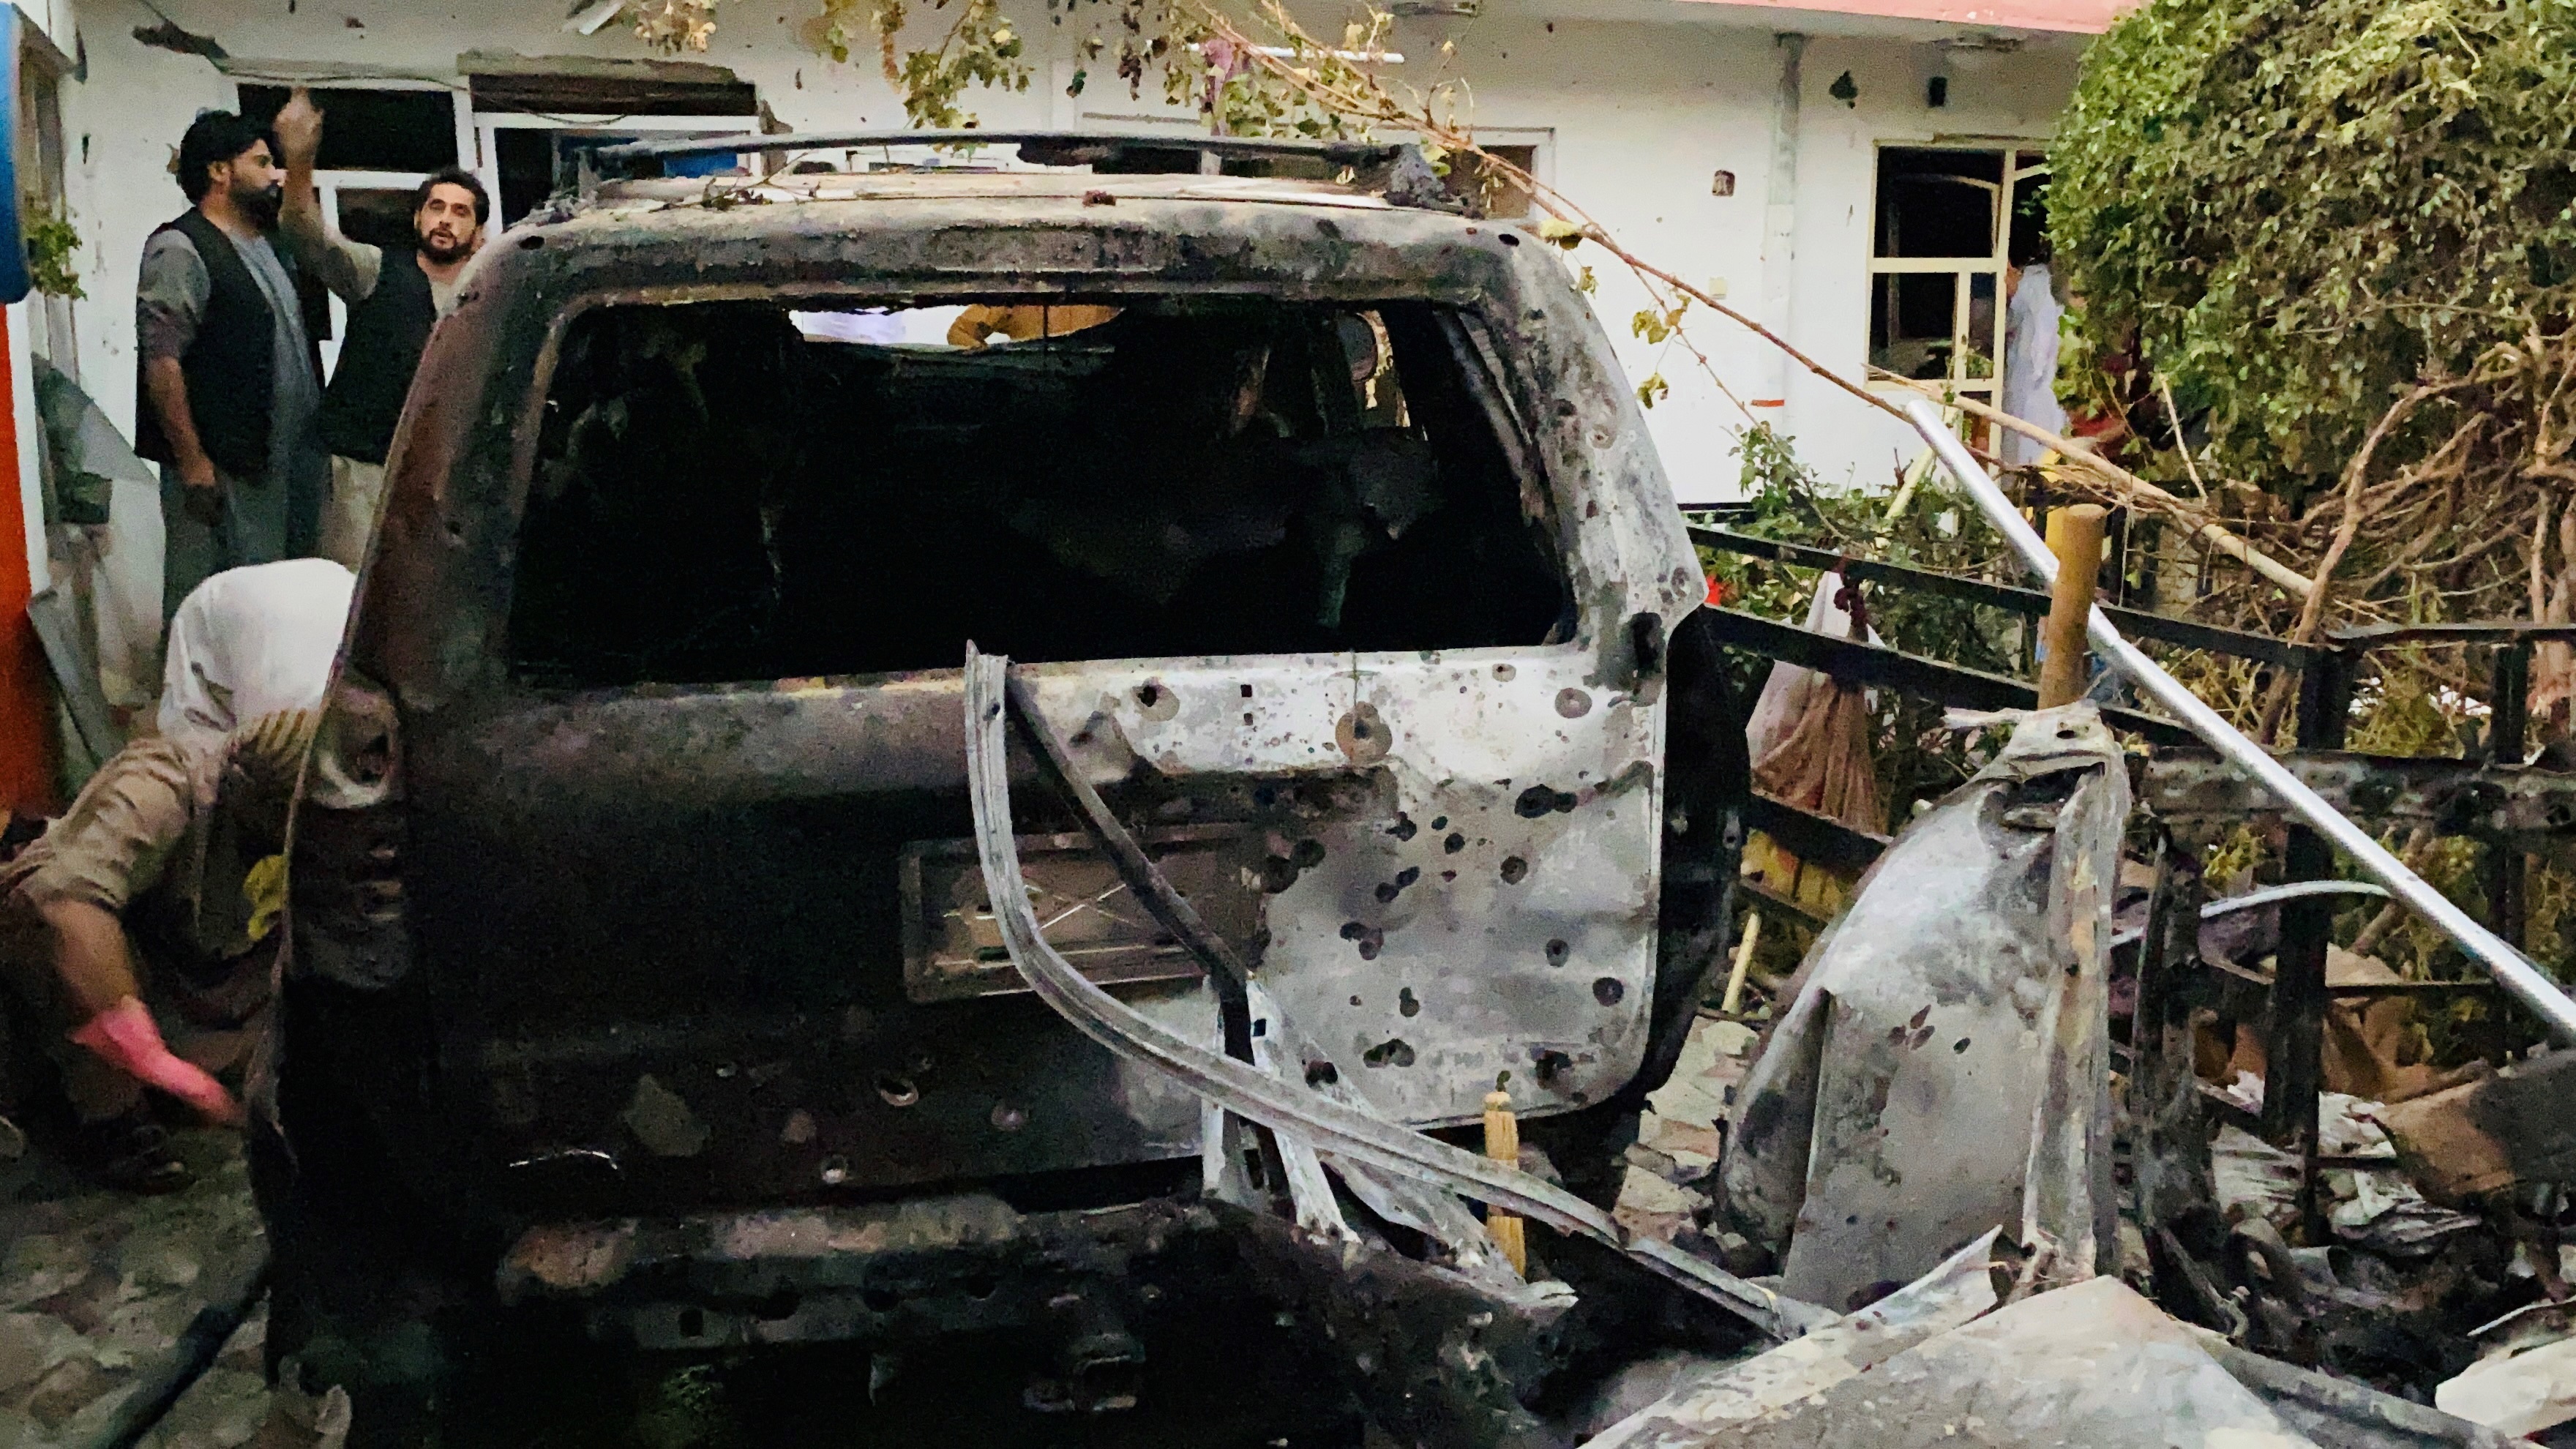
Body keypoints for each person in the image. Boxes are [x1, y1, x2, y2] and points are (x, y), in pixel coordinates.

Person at [0, 563, 349, 1192]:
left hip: (199, 969)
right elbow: (65, 905)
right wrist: (162, 1067)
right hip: (89, 957)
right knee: (43, 921)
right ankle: (109, 1115)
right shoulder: (167, 778)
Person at [272, 88, 490, 568]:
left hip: (439, 479)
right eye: (436, 207)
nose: (445, 220)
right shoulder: (376, 271)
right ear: (417, 217)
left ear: (479, 235)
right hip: (360, 475)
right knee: (350, 595)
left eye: (460, 212)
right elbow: (303, 232)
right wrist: (300, 157)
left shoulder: (487, 297)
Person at [136, 111, 330, 621]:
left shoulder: (269, 247)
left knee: (276, 609)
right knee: (211, 610)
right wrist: (194, 462)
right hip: (224, 470)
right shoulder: (180, 248)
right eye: (263, 162)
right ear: (220, 171)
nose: (275, 175)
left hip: (282, 463)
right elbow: (162, 362)